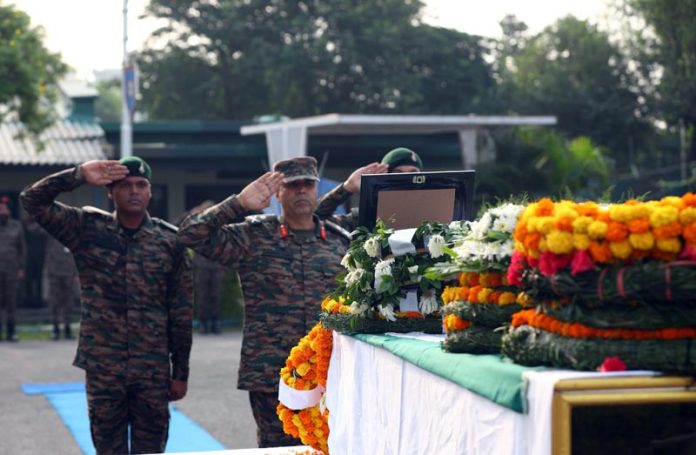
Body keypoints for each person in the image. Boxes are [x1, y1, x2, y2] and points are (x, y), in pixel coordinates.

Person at [21, 157, 193, 454]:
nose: (134, 191)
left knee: (151, 449)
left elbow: (180, 311)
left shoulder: (170, 241)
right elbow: (31, 201)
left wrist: (180, 372)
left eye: (141, 185)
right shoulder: (86, 228)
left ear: (151, 192)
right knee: (107, 449)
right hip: (104, 367)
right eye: (125, 186)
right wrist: (79, 175)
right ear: (111, 193)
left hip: (151, 369)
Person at [177, 156, 351, 448]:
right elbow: (189, 234)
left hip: (331, 369)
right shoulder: (254, 237)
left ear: (316, 190)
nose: (300, 191)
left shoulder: (339, 239)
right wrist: (239, 203)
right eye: (291, 185)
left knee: (334, 446)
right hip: (271, 372)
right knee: (277, 449)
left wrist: (348, 188)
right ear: (278, 193)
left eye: (307, 185)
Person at [315, 146, 424, 229]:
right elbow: (313, 218)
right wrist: (348, 187)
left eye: (413, 174)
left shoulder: (432, 217)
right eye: (397, 174)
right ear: (383, 179)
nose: (405, 180)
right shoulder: (364, 219)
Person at [43, 234, 79, 340]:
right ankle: (56, 329)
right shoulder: (50, 235)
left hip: (68, 274)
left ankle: (68, 329)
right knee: (54, 302)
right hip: (54, 274)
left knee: (68, 303)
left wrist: (76, 272)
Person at [0, 196, 26, 342]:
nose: (2, 210)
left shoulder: (17, 226)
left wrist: (21, 268)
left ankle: (11, 332)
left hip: (11, 270)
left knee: (11, 302)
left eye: (5, 207)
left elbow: (22, 250)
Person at [193, 252, 226, 334]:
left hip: (216, 267)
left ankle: (215, 324)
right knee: (203, 297)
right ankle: (203, 324)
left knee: (216, 296)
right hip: (202, 267)